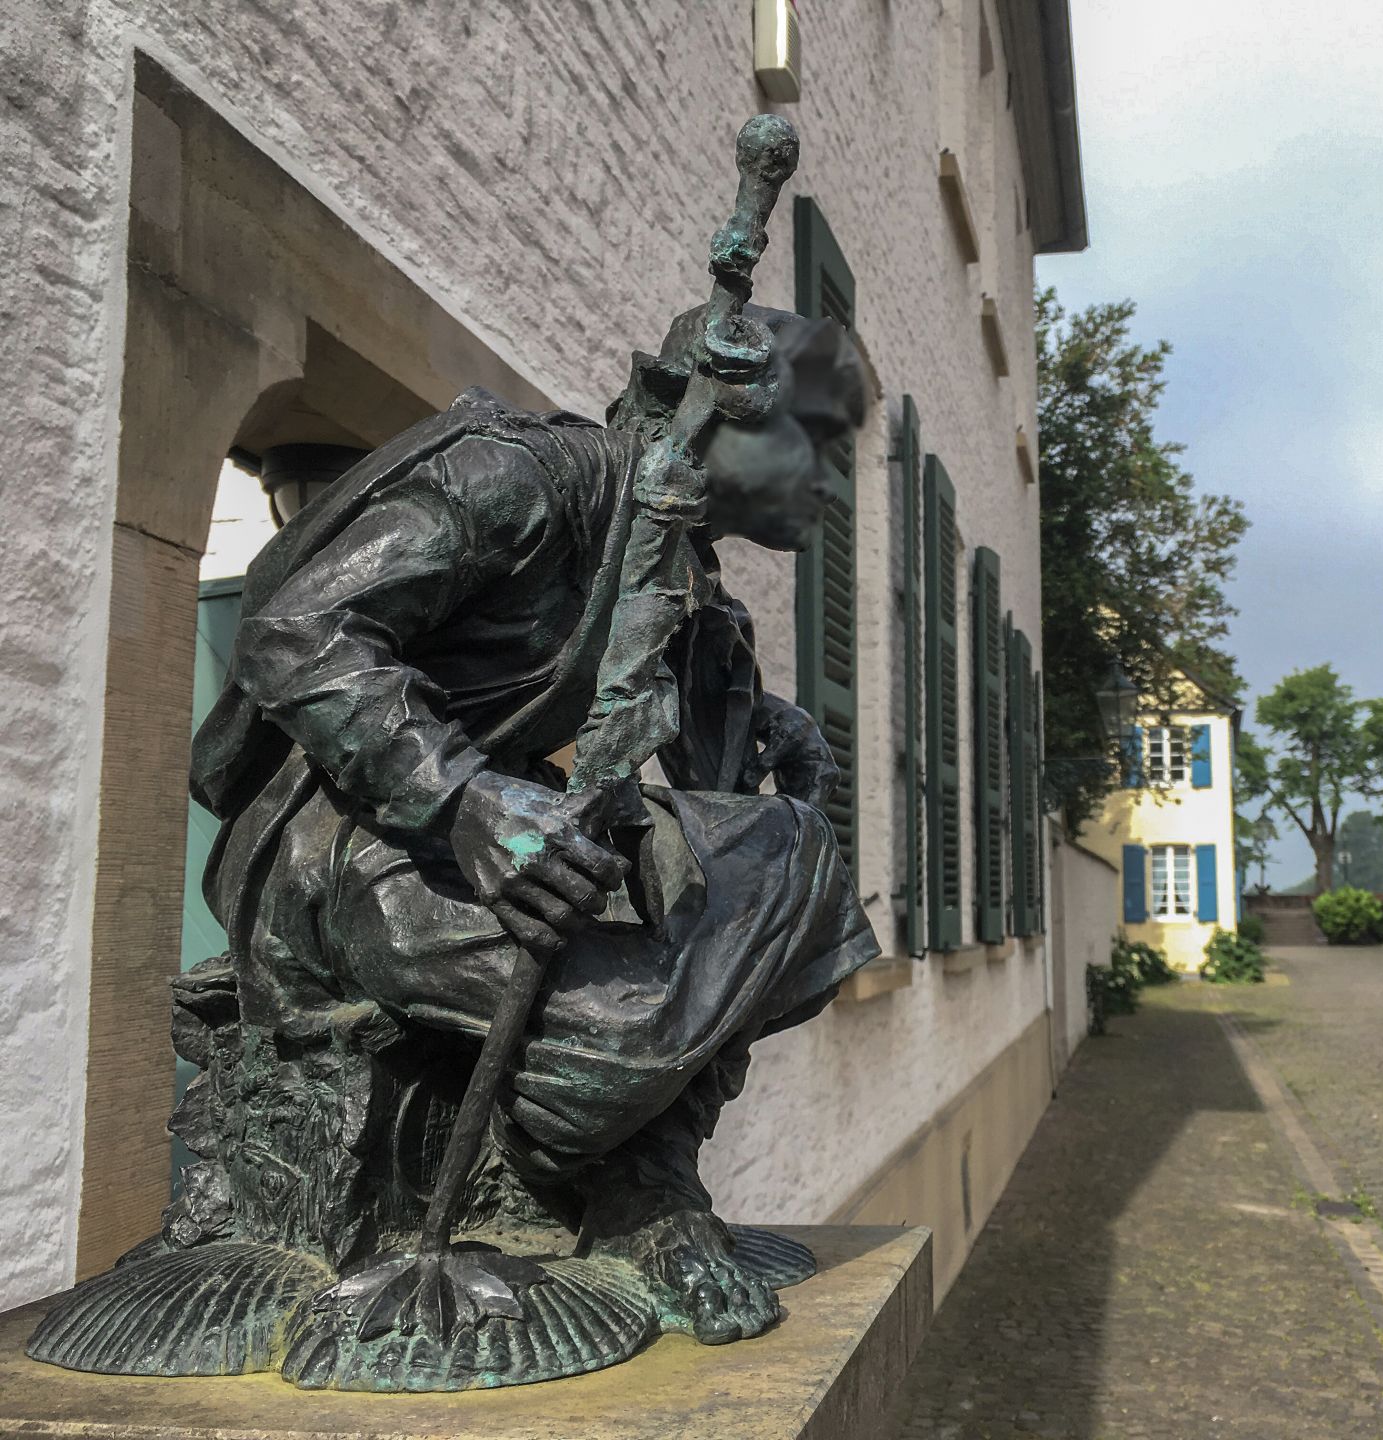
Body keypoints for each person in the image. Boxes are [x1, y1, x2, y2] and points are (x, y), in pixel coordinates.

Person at [185, 306, 876, 1344]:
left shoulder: (683, 573)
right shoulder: (517, 480)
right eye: (820, 439)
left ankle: (646, 1193)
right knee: (625, 1024)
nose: (838, 480)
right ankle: (564, 1167)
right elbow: (296, 632)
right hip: (344, 838)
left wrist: (767, 730)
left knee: (788, 866)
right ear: (725, 410)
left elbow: (701, 770)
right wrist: (464, 801)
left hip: (502, 835)